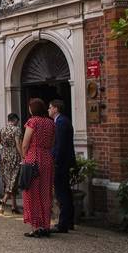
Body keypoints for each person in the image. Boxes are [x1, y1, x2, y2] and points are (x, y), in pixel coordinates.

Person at [21, 98, 55, 237]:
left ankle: (35, 227)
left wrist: (24, 157)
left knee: (31, 193)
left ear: (32, 109)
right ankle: (46, 225)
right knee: (45, 193)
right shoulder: (51, 123)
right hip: (47, 158)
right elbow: (53, 142)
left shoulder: (32, 121)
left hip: (33, 158)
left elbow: (25, 144)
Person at [49, 99, 76, 233]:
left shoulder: (60, 122)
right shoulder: (62, 121)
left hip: (61, 163)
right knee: (66, 191)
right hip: (64, 161)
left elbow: (59, 146)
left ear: (56, 109)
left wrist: (54, 161)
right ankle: (69, 221)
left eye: (50, 107)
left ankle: (63, 224)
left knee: (62, 193)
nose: (48, 110)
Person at [0, 113, 23, 214]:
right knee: (13, 180)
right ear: (15, 120)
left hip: (3, 155)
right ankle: (3, 201)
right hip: (13, 155)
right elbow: (18, 144)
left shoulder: (2, 130)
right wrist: (23, 156)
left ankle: (14, 206)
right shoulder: (17, 129)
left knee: (8, 180)